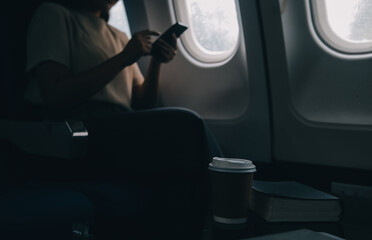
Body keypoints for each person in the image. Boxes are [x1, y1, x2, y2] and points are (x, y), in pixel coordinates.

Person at [24, 0, 223, 238]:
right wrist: (124, 58)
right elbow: (55, 93)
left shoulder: (118, 36)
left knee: (182, 172)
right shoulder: (54, 14)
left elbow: (141, 103)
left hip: (118, 129)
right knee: (186, 125)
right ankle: (234, 211)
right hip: (77, 132)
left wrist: (155, 61)